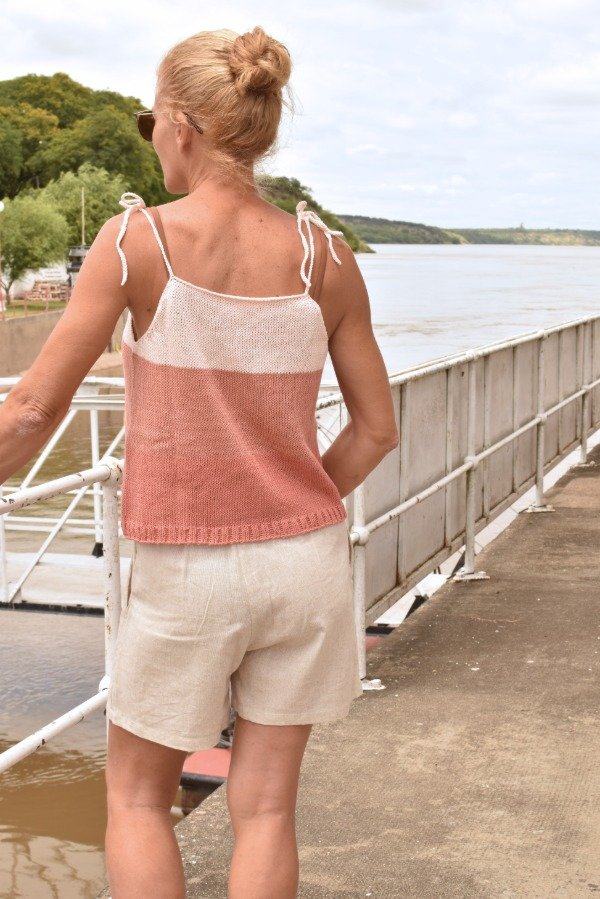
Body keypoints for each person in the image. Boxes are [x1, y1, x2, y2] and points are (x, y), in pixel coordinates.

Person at [0, 25, 398, 899]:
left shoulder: (134, 241)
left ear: (183, 125)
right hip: (303, 565)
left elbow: (31, 411)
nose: (153, 138)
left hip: (186, 567)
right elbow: (376, 429)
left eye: (152, 121)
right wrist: (288, 504)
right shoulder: (325, 256)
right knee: (267, 808)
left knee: (138, 799)